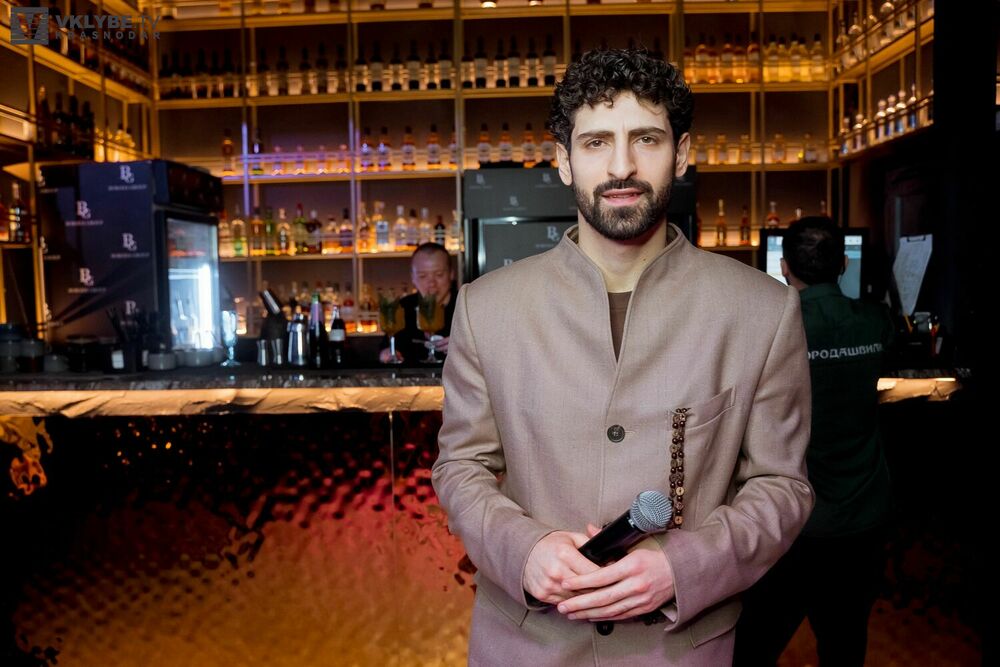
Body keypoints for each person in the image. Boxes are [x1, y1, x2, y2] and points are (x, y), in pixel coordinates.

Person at [432, 48, 814, 666]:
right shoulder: (485, 307)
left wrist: (682, 567)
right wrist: (524, 550)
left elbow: (782, 486)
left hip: (678, 650)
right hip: (525, 647)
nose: (621, 166)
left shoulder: (762, 311)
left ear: (681, 154)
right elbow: (460, 468)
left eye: (646, 139)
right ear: (563, 161)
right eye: (596, 143)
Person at [734, 217, 895, 667]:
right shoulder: (875, 321)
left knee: (752, 648)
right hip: (863, 516)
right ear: (844, 264)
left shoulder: (770, 328)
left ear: (783, 267)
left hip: (793, 520)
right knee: (845, 646)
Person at [377, 242, 456, 364]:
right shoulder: (403, 307)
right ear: (413, 278)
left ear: (451, 274)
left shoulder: (467, 306)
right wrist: (386, 354)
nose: (432, 283)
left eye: (439, 275)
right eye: (423, 276)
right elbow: (386, 348)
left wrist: (464, 348)